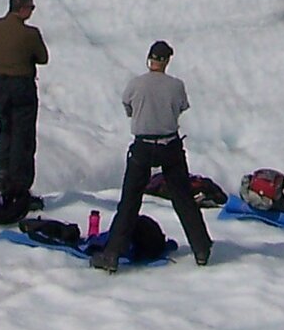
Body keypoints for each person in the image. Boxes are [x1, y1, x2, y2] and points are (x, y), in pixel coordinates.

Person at [90, 40, 213, 270]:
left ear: (149, 59)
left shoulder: (136, 84)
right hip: (170, 145)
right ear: (167, 61)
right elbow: (181, 108)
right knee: (183, 198)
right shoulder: (176, 85)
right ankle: (201, 248)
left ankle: (112, 254)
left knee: (129, 202)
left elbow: (128, 107)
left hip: (142, 146)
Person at [0, 0, 48, 198]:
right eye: (31, 7)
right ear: (22, 9)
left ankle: (2, 174)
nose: (32, 11)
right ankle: (20, 186)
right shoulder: (30, 34)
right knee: (23, 137)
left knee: (6, 130)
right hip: (21, 87)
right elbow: (42, 57)